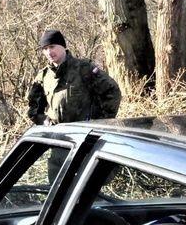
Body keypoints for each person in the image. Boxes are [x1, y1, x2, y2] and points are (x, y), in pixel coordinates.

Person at [27, 29, 121, 180]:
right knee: (57, 190)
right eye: (45, 49)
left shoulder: (84, 69)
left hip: (86, 142)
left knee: (88, 188)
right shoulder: (44, 76)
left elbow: (112, 91)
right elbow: (33, 107)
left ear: (63, 46)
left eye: (52, 46)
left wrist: (102, 122)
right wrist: (43, 120)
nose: (49, 52)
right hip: (59, 144)